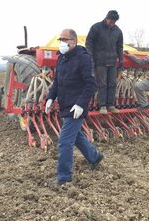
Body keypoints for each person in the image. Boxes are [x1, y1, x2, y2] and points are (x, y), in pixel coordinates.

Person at [45, 28, 104, 187]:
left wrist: (80, 104)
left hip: (77, 107)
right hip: (65, 105)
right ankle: (95, 157)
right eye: (60, 40)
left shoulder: (84, 58)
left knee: (64, 141)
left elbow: (91, 84)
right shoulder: (62, 58)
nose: (62, 43)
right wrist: (50, 98)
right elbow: (57, 82)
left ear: (74, 41)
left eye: (65, 40)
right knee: (76, 136)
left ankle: (64, 178)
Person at [85, 10, 124, 114]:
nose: (112, 24)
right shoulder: (96, 28)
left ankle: (111, 105)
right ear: (106, 18)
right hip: (100, 61)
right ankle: (102, 106)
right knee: (102, 84)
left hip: (112, 62)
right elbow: (88, 43)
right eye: (110, 21)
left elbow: (120, 46)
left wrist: (121, 59)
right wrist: (90, 58)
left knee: (112, 83)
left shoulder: (118, 31)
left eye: (114, 22)